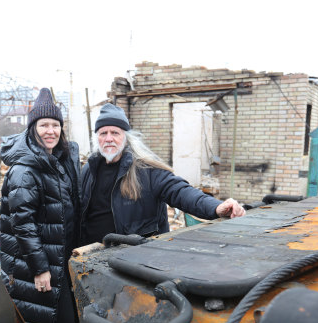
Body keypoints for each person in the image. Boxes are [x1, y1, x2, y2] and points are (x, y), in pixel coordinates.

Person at [0, 88, 80, 323]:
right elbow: (23, 224)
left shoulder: (55, 160)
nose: (51, 131)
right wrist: (40, 268)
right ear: (33, 128)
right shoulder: (25, 169)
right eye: (44, 125)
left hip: (56, 257)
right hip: (33, 263)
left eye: (55, 125)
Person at [81, 103, 245, 245]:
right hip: (90, 258)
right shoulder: (88, 170)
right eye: (103, 133)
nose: (109, 138)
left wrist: (215, 207)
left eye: (115, 133)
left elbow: (180, 191)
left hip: (132, 259)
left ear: (126, 137)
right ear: (97, 138)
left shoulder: (147, 170)